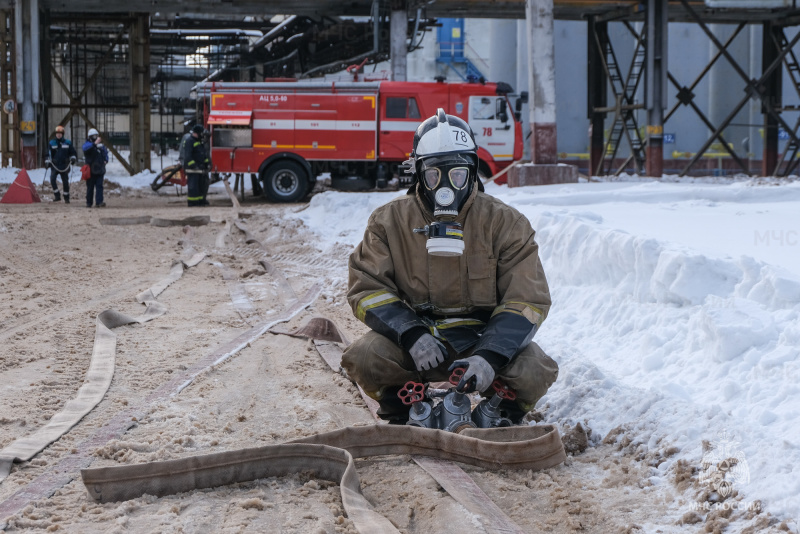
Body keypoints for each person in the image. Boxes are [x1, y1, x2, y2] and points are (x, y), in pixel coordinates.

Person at [343, 108, 558, 425]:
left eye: (457, 175)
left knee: (535, 369)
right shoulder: (389, 222)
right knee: (364, 357)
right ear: (419, 174)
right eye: (433, 176)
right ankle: (407, 407)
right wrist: (411, 334)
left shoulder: (505, 223)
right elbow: (366, 289)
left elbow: (527, 299)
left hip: (482, 340)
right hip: (418, 345)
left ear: (472, 173)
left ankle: (497, 414)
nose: (446, 187)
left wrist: (489, 356)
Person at [45, 125, 77, 203]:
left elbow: (73, 152)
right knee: (52, 180)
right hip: (55, 165)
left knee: (65, 182)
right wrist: (47, 161)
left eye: (60, 133)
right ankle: (57, 195)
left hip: (64, 165)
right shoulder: (52, 143)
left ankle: (66, 197)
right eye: (57, 133)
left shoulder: (68, 143)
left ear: (62, 134)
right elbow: (48, 154)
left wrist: (73, 158)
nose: (58, 135)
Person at [180, 124, 210, 207]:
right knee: (194, 186)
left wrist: (206, 163)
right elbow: (188, 156)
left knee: (201, 185)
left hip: (199, 169)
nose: (202, 135)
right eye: (201, 133)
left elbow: (203, 154)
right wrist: (194, 165)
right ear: (197, 133)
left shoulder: (198, 142)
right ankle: (192, 202)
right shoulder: (190, 141)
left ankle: (200, 200)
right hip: (192, 169)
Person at [82, 128, 109, 208]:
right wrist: (94, 144)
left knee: (99, 186)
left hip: (100, 169)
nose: (95, 138)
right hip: (90, 170)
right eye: (94, 136)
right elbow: (85, 149)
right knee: (90, 187)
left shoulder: (101, 146)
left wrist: (105, 160)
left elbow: (105, 153)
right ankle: (89, 202)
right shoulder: (87, 145)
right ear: (90, 137)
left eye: (96, 136)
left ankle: (99, 202)